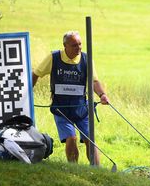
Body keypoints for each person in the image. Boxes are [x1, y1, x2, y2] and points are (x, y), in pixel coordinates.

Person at [32, 31, 110, 165]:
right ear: (65, 46)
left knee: (89, 139)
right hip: (61, 109)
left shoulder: (86, 59)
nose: (78, 48)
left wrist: (102, 95)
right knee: (71, 138)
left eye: (80, 44)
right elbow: (36, 73)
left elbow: (94, 81)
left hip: (81, 108)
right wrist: (27, 92)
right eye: (74, 45)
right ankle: (74, 169)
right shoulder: (53, 57)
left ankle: (97, 170)